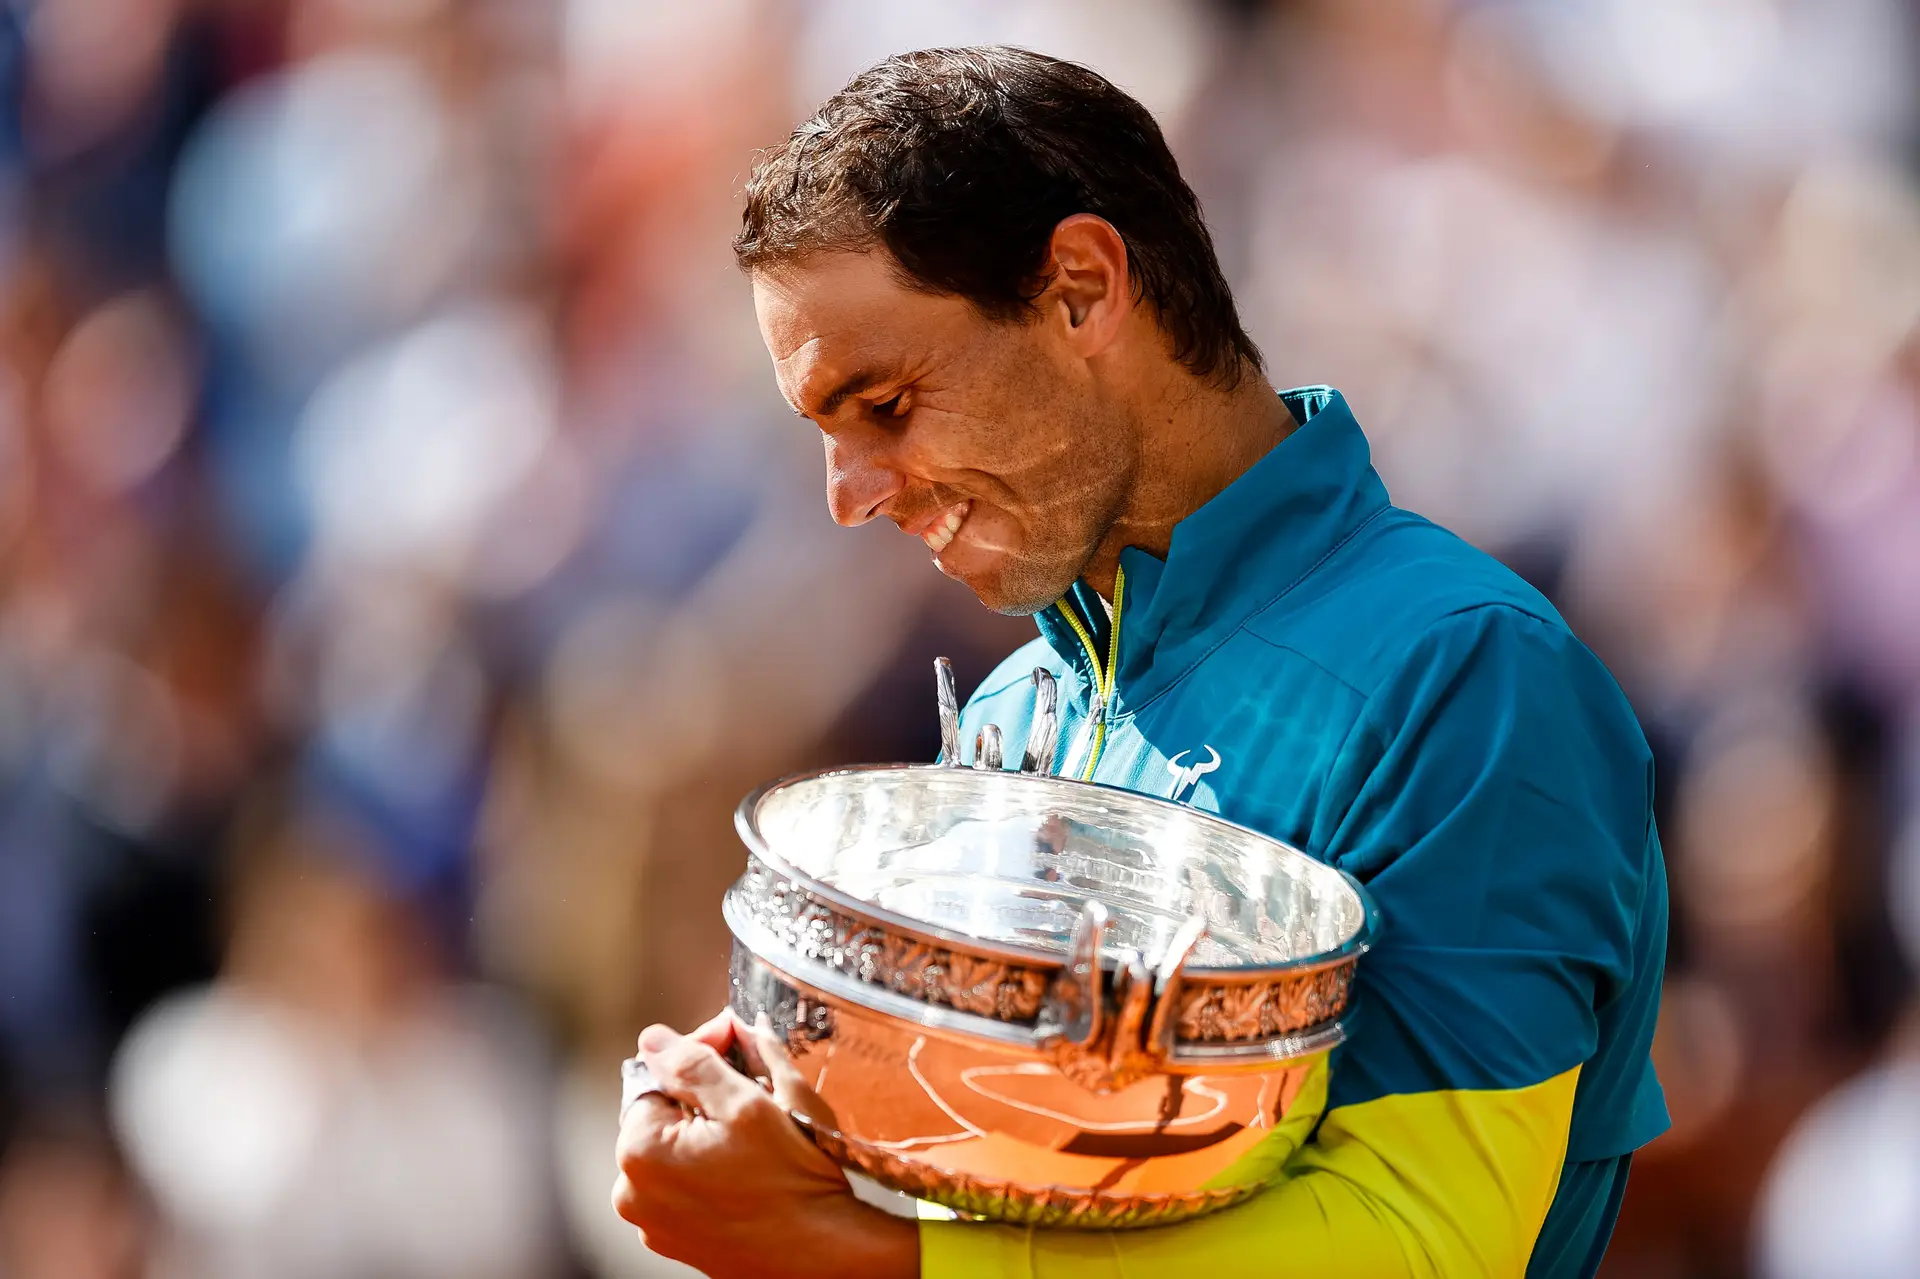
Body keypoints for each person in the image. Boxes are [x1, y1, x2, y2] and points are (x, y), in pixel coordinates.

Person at [611, 46, 1668, 1279]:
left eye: (887, 405)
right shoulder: (1018, 706)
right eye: (825, 434)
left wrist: (863, 1257)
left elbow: (1427, 1238)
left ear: (1079, 289)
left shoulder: (1472, 675)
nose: (848, 499)